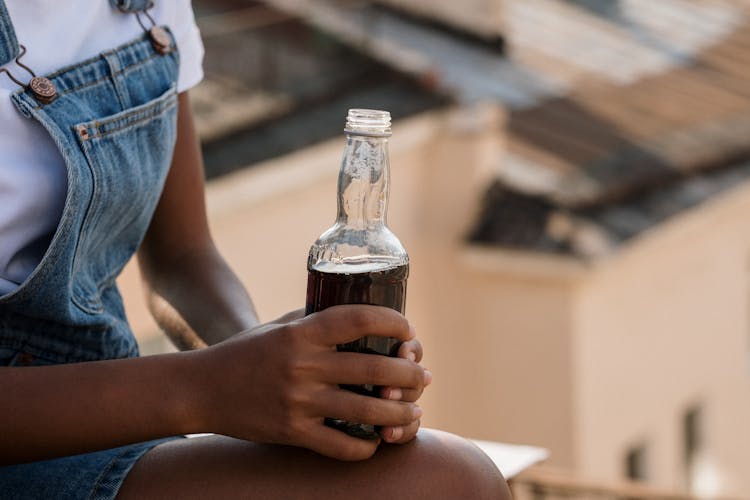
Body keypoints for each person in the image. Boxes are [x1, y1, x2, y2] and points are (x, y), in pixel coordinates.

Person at [0, 1, 511, 498]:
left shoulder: (148, 6)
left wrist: (280, 372)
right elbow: (204, 384)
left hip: (120, 415)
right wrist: (207, 389)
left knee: (453, 479)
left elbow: (183, 256)